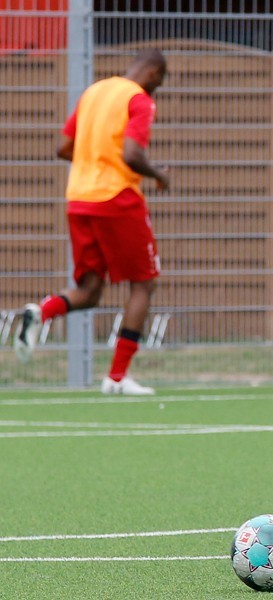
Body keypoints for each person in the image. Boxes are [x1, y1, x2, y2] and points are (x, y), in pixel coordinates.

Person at [14, 48, 169, 395]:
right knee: (143, 284)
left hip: (80, 199)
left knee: (90, 290)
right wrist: (158, 174)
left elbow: (63, 147)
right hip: (117, 198)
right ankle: (117, 377)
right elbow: (132, 154)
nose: (156, 88)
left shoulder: (94, 92)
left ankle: (41, 312)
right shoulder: (139, 100)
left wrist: (94, 160)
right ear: (154, 74)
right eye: (159, 82)